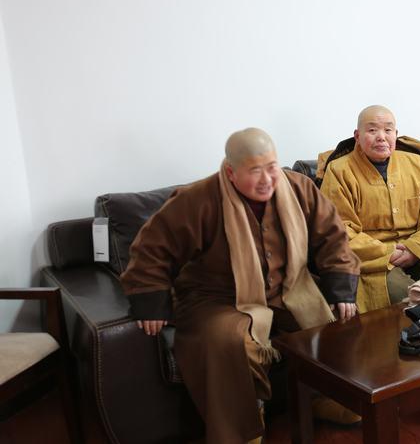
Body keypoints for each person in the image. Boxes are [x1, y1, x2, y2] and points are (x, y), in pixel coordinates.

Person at [120, 128, 361, 444]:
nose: (267, 179)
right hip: (218, 298)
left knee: (334, 321)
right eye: (255, 170)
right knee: (229, 343)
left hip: (288, 287)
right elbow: (153, 248)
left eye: (271, 167)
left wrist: (340, 286)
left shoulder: (299, 187)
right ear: (231, 172)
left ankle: (324, 399)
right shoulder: (198, 200)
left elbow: (332, 236)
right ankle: (245, 430)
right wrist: (151, 300)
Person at [320, 105, 420, 313]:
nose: (381, 137)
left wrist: (415, 249)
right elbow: (339, 230)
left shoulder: (417, 164)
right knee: (407, 297)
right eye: (372, 130)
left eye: (388, 130)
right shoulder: (339, 171)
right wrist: (388, 252)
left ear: (395, 134)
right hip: (376, 258)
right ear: (357, 136)